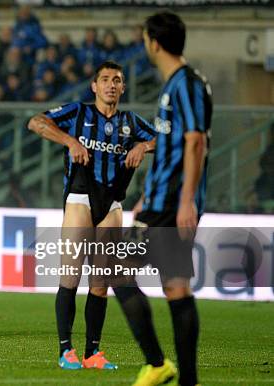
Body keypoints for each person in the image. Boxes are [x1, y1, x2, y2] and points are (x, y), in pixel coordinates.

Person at [28, 61, 156, 371]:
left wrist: (144, 145)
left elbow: (166, 141)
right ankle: (65, 351)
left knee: (100, 283)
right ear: (94, 86)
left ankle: (93, 353)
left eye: (118, 80)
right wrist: (69, 140)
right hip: (80, 197)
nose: (112, 84)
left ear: (123, 88)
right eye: (106, 79)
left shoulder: (131, 122)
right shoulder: (78, 113)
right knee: (70, 276)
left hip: (112, 204)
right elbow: (36, 122)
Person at [116, 12, 212, 386]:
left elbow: (195, 141)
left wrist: (186, 200)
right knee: (175, 286)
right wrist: (146, 196)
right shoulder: (180, 83)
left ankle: (157, 363)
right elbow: (176, 144)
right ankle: (186, 379)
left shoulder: (185, 84)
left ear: (154, 42)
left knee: (116, 272)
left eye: (144, 38)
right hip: (162, 199)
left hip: (172, 202)